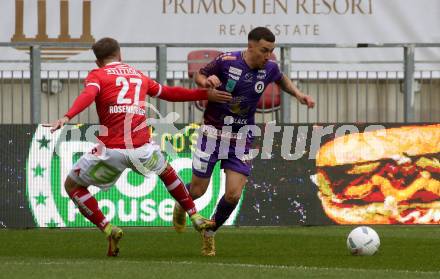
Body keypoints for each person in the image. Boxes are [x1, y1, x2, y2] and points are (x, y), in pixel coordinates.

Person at [45, 37, 232, 257]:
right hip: (142, 150)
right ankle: (194, 214)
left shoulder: (98, 75)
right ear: (120, 54)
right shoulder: (138, 75)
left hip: (110, 152)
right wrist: (203, 94)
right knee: (166, 171)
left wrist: (67, 116)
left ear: (98, 62)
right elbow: (170, 93)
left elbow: (88, 94)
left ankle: (108, 228)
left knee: (72, 186)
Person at [172, 27, 315, 256]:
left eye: (271, 51)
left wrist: (299, 94)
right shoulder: (227, 61)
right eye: (264, 50)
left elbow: (281, 79)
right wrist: (206, 81)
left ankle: (210, 232)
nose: (268, 56)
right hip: (212, 133)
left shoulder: (269, 67)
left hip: (241, 137)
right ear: (250, 46)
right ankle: (181, 203)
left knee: (233, 195)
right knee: (198, 190)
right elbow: (199, 74)